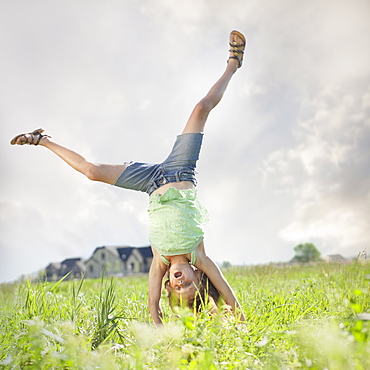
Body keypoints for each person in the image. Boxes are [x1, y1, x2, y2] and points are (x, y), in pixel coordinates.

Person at [11, 30, 247, 325]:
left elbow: (154, 306)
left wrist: (158, 322)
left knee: (92, 171)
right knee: (200, 108)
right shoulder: (198, 256)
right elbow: (226, 291)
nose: (179, 282)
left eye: (176, 288)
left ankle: (42, 140)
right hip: (181, 169)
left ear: (167, 286)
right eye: (188, 284)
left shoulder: (159, 262)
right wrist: (239, 317)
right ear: (198, 275)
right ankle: (233, 65)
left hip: (150, 182)